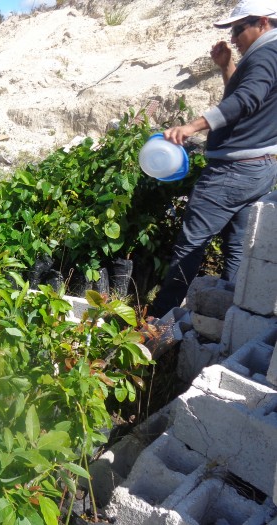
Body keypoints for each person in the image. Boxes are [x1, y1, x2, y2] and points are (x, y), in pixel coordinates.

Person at [149, 0, 277, 317]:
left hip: (233, 170)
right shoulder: (267, 55)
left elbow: (245, 100)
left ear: (262, 22)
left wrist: (191, 126)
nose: (233, 38)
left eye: (238, 29)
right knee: (238, 248)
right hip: (260, 167)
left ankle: (157, 322)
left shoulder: (266, 54)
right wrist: (226, 67)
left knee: (190, 245)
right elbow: (247, 100)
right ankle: (222, 320)